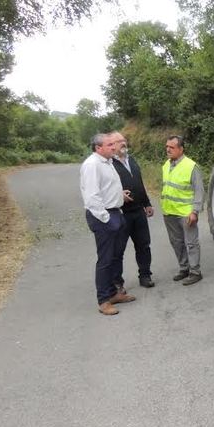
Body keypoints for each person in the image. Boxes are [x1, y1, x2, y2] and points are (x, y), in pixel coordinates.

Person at [80, 133, 137, 315]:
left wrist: (120, 196)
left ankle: (114, 293)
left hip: (115, 212)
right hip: (104, 216)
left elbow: (106, 188)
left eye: (114, 143)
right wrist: (106, 219)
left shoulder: (108, 162)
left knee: (116, 256)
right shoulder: (92, 165)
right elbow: (92, 197)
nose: (114, 147)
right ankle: (104, 301)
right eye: (110, 144)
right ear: (98, 148)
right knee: (105, 260)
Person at [111, 131, 155, 288]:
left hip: (138, 211)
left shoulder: (132, 160)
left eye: (124, 140)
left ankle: (145, 276)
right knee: (118, 251)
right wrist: (118, 194)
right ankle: (117, 283)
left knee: (143, 245)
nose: (123, 143)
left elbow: (140, 183)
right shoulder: (109, 164)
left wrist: (147, 203)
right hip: (121, 214)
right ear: (112, 145)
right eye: (119, 141)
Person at [161, 135, 204, 285]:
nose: (168, 149)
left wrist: (195, 211)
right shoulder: (166, 165)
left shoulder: (191, 166)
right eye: (167, 147)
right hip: (169, 212)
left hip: (186, 213)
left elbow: (199, 191)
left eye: (171, 147)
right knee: (176, 242)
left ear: (181, 149)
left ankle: (195, 271)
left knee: (191, 243)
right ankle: (184, 268)